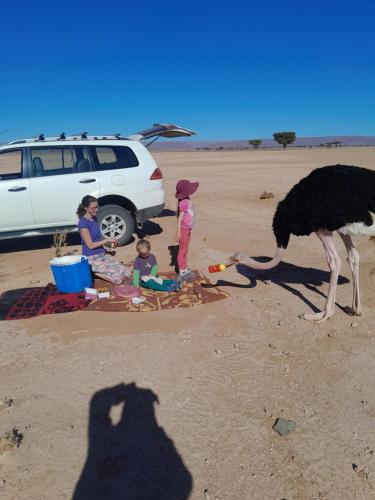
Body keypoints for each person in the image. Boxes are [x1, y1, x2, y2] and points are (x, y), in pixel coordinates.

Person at [77, 195, 131, 285]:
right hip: (91, 257)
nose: (96, 210)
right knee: (118, 279)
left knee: (126, 272)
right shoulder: (83, 223)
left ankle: (100, 270)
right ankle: (93, 272)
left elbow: (97, 239)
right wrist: (106, 240)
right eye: (93, 208)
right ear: (86, 208)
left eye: (97, 207)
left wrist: (108, 248)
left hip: (102, 254)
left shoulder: (94, 218)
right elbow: (90, 245)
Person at [175, 179, 199, 281]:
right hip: (184, 229)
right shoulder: (183, 203)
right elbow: (179, 219)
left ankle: (185, 268)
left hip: (188, 229)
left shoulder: (187, 200)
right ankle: (182, 271)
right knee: (182, 250)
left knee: (185, 249)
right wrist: (178, 232)